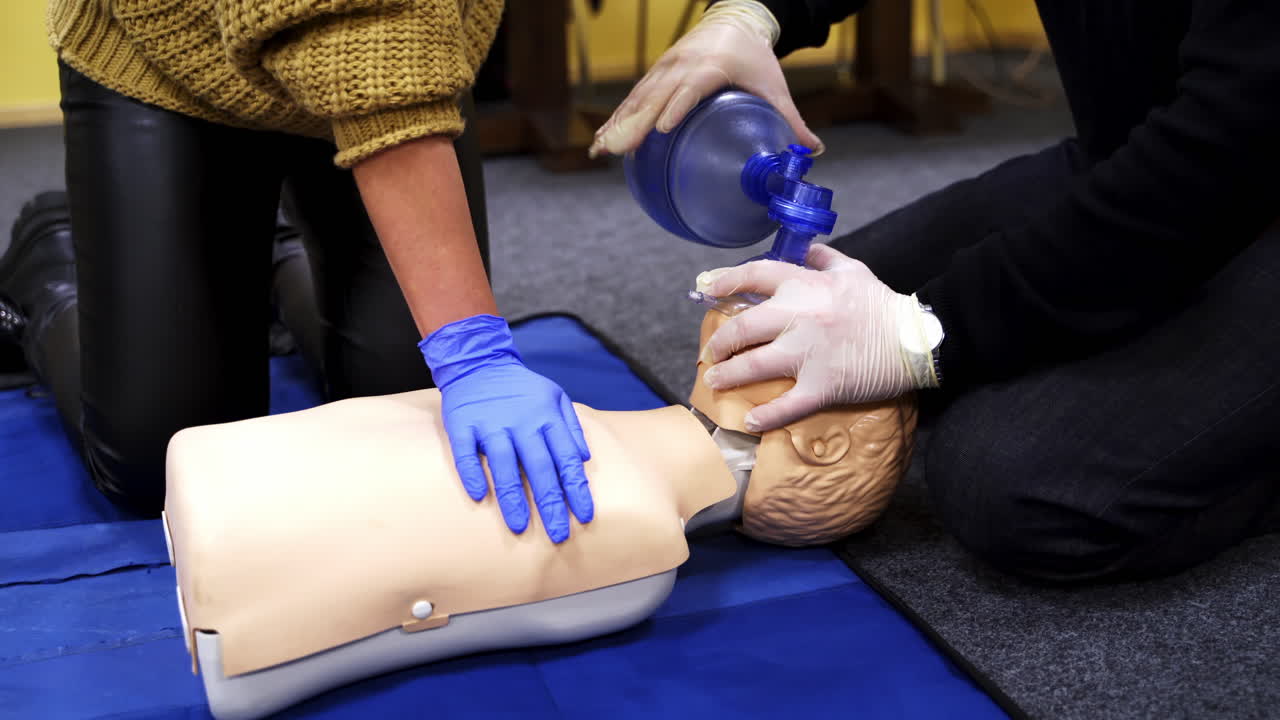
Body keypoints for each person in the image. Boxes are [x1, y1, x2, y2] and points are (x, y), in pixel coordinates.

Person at [592, 0, 1280, 582]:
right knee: (803, 308)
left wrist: (924, 333)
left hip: (1240, 163)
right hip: (1145, 149)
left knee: (1014, 486)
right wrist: (755, 13)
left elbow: (1236, 140)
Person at [0, 0, 593, 543]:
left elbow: (386, 55)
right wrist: (473, 351)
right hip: (168, 64)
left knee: (415, 428)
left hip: (407, 55)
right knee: (167, 468)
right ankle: (49, 254)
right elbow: (350, 38)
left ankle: (276, 258)